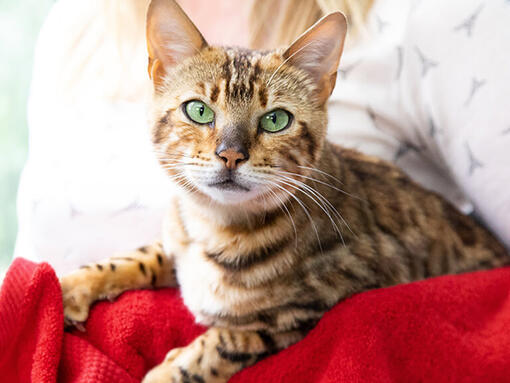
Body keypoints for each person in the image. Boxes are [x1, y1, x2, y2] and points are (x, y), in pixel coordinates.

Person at [15, 0, 510, 275]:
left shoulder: (430, 17)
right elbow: (30, 282)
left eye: (273, 120)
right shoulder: (75, 27)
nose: (230, 152)